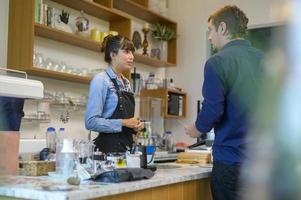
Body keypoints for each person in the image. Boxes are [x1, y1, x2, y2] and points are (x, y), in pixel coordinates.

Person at [185, 5, 264, 200]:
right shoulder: (264, 60)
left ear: (222, 28)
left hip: (231, 164)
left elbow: (213, 109)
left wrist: (196, 128)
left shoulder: (217, 62)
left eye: (210, 30)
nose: (209, 37)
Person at [85, 35, 143, 153]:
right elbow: (90, 122)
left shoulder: (126, 82)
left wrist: (134, 126)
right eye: (126, 52)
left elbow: (125, 123)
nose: (131, 57)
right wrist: (124, 122)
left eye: (132, 52)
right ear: (113, 55)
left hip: (126, 150)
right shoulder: (101, 80)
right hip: (107, 153)